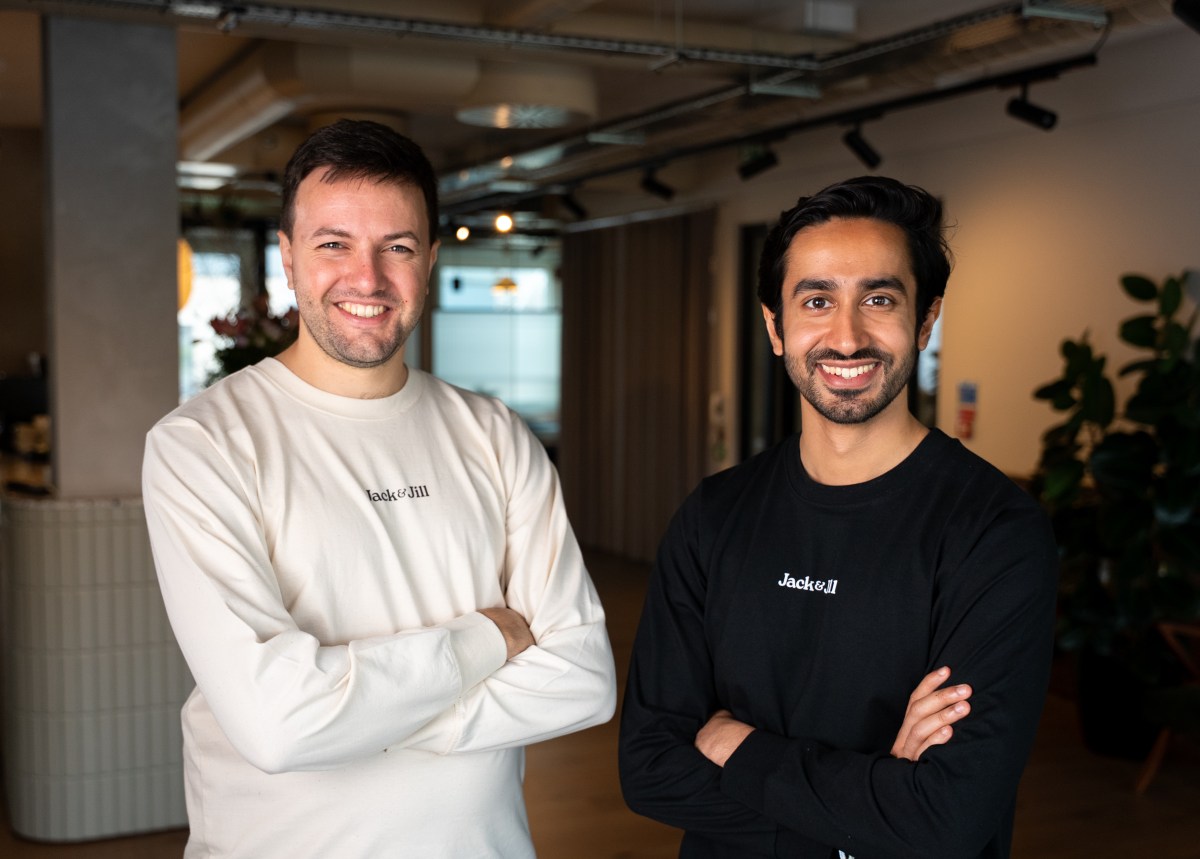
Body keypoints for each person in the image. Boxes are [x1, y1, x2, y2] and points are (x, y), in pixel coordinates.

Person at [143, 119, 616, 858]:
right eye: (334, 243)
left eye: (396, 247)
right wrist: (486, 639)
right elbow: (278, 724)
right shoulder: (203, 443)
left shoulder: (494, 434)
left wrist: (362, 715)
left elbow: (584, 677)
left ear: (427, 261)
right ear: (289, 259)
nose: (367, 279)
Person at [618, 176, 1058, 859]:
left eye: (878, 299)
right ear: (775, 325)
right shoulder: (714, 515)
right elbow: (649, 768)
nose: (846, 337)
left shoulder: (994, 532)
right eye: (817, 299)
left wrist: (738, 745)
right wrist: (877, 796)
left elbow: (950, 815)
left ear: (926, 319)